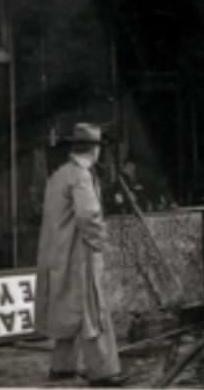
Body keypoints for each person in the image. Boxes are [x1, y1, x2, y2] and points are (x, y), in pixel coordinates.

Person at [35, 123, 127, 387]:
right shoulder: (81, 176)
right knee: (92, 308)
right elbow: (89, 215)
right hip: (79, 254)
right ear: (95, 151)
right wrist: (100, 243)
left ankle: (62, 367)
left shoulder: (59, 174)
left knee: (67, 306)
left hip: (57, 253)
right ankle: (104, 371)